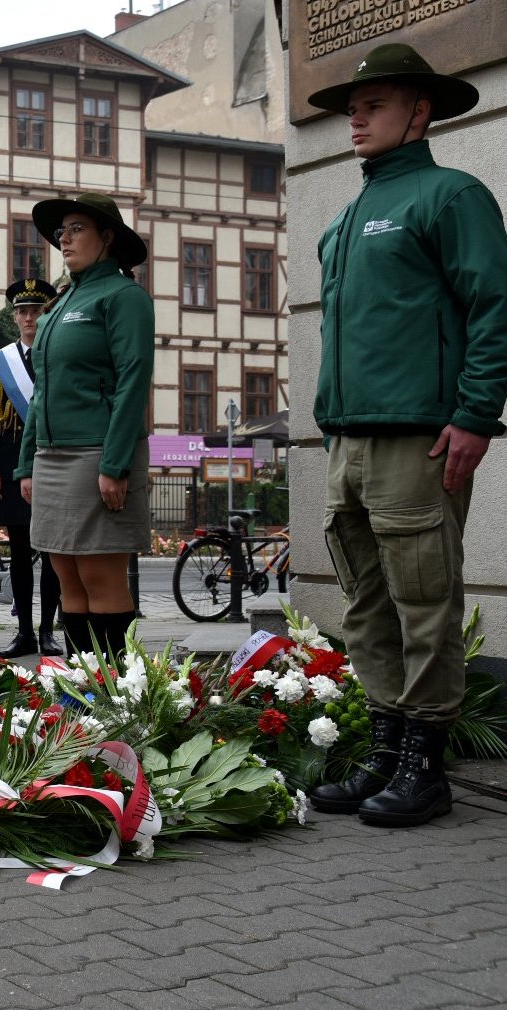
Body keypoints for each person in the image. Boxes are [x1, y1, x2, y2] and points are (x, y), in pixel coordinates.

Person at [302, 45, 507, 828]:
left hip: (421, 437)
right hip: (350, 440)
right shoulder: (348, 217)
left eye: (374, 104)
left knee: (424, 600)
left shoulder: (450, 196)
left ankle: (426, 765)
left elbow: (494, 307)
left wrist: (475, 415)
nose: (355, 117)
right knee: (368, 603)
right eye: (352, 108)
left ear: (420, 111)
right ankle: (387, 749)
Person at [16, 193, 154, 661]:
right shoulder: (59, 305)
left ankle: (118, 691)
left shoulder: (123, 296)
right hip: (52, 458)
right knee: (66, 578)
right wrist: (26, 463)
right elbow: (42, 390)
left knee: (100, 578)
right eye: (61, 232)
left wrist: (115, 464)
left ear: (108, 237)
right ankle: (79, 690)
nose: (64, 239)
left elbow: (134, 381)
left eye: (76, 229)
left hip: (96, 454)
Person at [0, 279, 64, 657]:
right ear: (14, 316)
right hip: (13, 465)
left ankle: (47, 630)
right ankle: (23, 632)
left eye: (35, 310)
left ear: (45, 313)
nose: (29, 317)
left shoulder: (56, 353)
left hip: (49, 464)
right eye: (22, 311)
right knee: (18, 552)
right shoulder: (0, 362)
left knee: (51, 552)